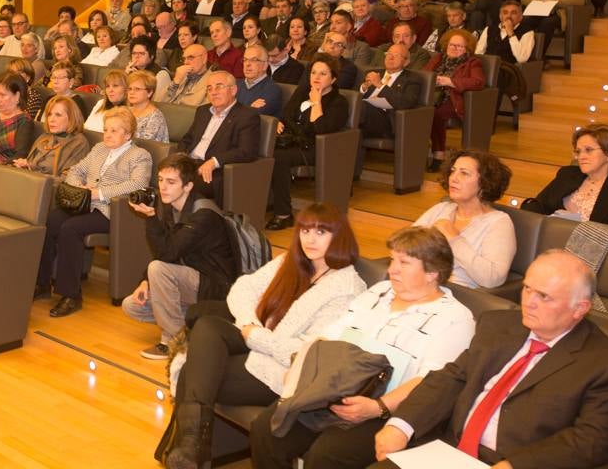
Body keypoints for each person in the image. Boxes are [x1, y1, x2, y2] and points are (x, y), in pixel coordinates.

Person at [374, 250, 608, 469]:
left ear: (579, 309)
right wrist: (402, 424)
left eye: (544, 296)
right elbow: (452, 378)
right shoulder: (499, 326)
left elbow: (592, 441)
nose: (529, 302)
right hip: (446, 451)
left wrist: (516, 464)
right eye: (527, 289)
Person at [248, 226, 476, 469]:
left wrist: (378, 407)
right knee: (266, 431)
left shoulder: (455, 318)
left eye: (404, 262)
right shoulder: (378, 292)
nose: (392, 269)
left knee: (325, 457)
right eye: (392, 260)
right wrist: (302, 378)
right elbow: (327, 338)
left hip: (388, 409)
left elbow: (431, 382)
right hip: (334, 389)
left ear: (432, 272)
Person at [157, 204, 364, 467]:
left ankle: (192, 451)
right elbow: (243, 288)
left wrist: (256, 337)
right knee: (208, 325)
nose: (310, 239)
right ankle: (193, 451)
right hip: (258, 342)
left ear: (339, 237)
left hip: (287, 371)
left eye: (321, 232)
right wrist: (250, 323)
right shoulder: (291, 262)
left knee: (191, 371)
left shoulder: (346, 289)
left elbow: (307, 352)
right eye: (305, 231)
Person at [124, 154, 242, 361]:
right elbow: (170, 249)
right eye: (160, 180)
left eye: (171, 182)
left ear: (187, 186)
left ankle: (174, 341)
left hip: (214, 286)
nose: (163, 188)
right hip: (191, 280)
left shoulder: (203, 215)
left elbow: (167, 253)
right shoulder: (173, 206)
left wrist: (151, 218)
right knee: (132, 305)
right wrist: (145, 281)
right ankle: (192, 325)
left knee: (158, 269)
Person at [36, 107, 152, 317]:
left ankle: (71, 295)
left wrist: (100, 193)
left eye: (114, 131)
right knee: (51, 220)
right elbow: (75, 170)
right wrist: (79, 186)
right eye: (106, 129)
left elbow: (138, 184)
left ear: (128, 134)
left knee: (70, 229)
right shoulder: (99, 148)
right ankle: (42, 284)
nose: (108, 134)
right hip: (83, 204)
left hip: (113, 212)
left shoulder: (139, 155)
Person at [267, 56, 350, 230]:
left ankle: (284, 214)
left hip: (316, 148)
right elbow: (286, 115)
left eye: (323, 73)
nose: (316, 77)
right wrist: (279, 123)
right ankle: (266, 201)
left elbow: (319, 129)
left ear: (333, 79)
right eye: (313, 72)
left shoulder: (339, 102)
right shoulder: (302, 92)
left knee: (279, 157)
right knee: (263, 149)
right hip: (292, 142)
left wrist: (317, 102)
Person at [413, 150, 514, 288]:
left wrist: (454, 240)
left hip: (455, 296)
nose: (453, 178)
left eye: (464, 173)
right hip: (417, 284)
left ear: (484, 183)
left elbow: (493, 278)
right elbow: (405, 247)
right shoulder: (442, 209)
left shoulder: (499, 223)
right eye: (453, 171)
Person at [523, 124, 608, 231]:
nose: (581, 157)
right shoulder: (567, 174)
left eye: (588, 150)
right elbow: (538, 205)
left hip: (595, 251)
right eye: (578, 152)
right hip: (552, 239)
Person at [175, 70, 261, 203]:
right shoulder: (203, 111)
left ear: (233, 90)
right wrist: (180, 158)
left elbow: (247, 151)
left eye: (219, 87)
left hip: (215, 171)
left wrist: (214, 161)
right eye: (209, 89)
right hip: (190, 165)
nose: (213, 92)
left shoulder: (247, 116)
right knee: (164, 176)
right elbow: (188, 139)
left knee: (177, 184)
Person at [424, 30, 486, 169]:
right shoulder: (438, 58)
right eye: (452, 45)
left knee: (435, 113)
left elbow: (478, 82)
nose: (454, 48)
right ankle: (417, 151)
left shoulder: (473, 62)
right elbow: (424, 74)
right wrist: (433, 80)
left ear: (467, 48)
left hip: (454, 99)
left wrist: (450, 81)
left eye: (459, 46)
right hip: (432, 96)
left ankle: (438, 154)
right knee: (421, 110)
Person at [357, 44, 423, 140]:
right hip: (365, 117)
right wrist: (364, 87)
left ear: (406, 62)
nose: (391, 57)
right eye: (389, 54)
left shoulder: (413, 79)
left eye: (396, 55)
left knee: (360, 107)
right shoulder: (373, 72)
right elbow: (354, 95)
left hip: (387, 121)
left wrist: (380, 85)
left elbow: (406, 102)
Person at [14, 95, 90, 177]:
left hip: (48, 187)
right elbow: (31, 164)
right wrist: (24, 166)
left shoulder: (79, 143)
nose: (51, 119)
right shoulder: (44, 137)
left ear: (71, 117)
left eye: (58, 115)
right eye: (49, 114)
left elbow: (67, 180)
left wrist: (33, 172)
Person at [125, 69, 169, 142]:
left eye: (137, 89)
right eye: (130, 89)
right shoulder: (126, 112)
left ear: (150, 93)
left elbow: (143, 144)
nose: (132, 92)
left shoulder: (155, 117)